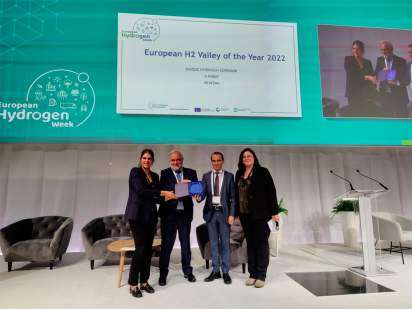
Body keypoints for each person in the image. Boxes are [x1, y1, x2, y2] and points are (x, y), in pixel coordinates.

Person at [124, 149, 176, 298]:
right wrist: (163, 193)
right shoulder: (135, 172)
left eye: (149, 159)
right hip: (137, 217)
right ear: (140, 159)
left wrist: (176, 192)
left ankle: (144, 282)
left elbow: (158, 198)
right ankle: (133, 284)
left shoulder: (154, 176)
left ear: (152, 161)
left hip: (151, 217)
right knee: (140, 249)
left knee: (148, 250)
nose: (146, 161)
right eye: (144, 158)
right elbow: (141, 191)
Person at [235, 148, 279, 288]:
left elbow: (271, 192)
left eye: (249, 155)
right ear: (241, 160)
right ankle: (252, 274)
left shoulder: (262, 171)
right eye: (244, 156)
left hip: (260, 215)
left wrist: (274, 212)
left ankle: (261, 275)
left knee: (261, 245)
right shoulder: (239, 173)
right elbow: (237, 195)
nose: (246, 158)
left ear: (254, 158)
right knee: (251, 245)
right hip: (244, 215)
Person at [195, 152, 236, 284]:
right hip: (211, 215)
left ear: (222, 161)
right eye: (214, 160)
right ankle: (215, 271)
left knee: (225, 244)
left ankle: (225, 272)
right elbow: (202, 195)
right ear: (211, 161)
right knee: (213, 243)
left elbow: (233, 198)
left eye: (219, 160)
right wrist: (198, 197)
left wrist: (232, 214)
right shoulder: (206, 176)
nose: (216, 163)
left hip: (224, 215)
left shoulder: (229, 176)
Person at [158, 150, 198, 286]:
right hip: (169, 215)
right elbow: (163, 189)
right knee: (166, 246)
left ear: (182, 160)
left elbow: (195, 190)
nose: (176, 162)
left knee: (186, 244)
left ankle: (188, 271)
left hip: (185, 214)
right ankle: (163, 274)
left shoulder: (191, 172)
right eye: (173, 160)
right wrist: (181, 186)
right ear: (170, 161)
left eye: (178, 160)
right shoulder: (164, 173)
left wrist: (197, 194)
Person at [375, 40, 410, 118]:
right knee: (387, 121)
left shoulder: (401, 61)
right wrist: (383, 73)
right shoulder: (380, 60)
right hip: (385, 96)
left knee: (402, 120)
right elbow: (377, 76)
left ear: (391, 50)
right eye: (382, 50)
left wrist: (397, 82)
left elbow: (407, 79)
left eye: (385, 50)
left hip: (399, 97)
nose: (383, 52)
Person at [343, 40, 377, 116]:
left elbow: (372, 75)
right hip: (353, 93)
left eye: (357, 49)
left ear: (362, 50)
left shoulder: (367, 62)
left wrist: (374, 79)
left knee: (365, 114)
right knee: (355, 114)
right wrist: (367, 77)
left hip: (366, 94)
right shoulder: (348, 60)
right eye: (353, 48)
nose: (355, 51)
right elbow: (352, 76)